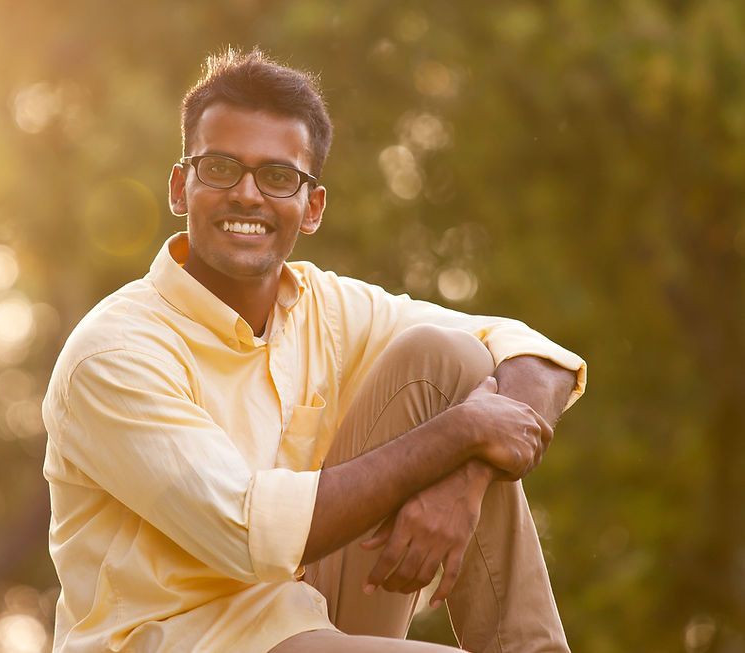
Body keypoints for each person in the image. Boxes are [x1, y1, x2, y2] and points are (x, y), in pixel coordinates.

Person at [42, 47, 586, 653]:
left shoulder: (325, 308)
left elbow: (535, 354)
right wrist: (459, 434)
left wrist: (470, 472)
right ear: (180, 186)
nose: (247, 195)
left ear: (313, 207)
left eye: (278, 177)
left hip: (311, 620)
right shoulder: (115, 352)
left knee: (448, 361)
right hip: (189, 642)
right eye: (221, 167)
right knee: (466, 408)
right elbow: (250, 535)